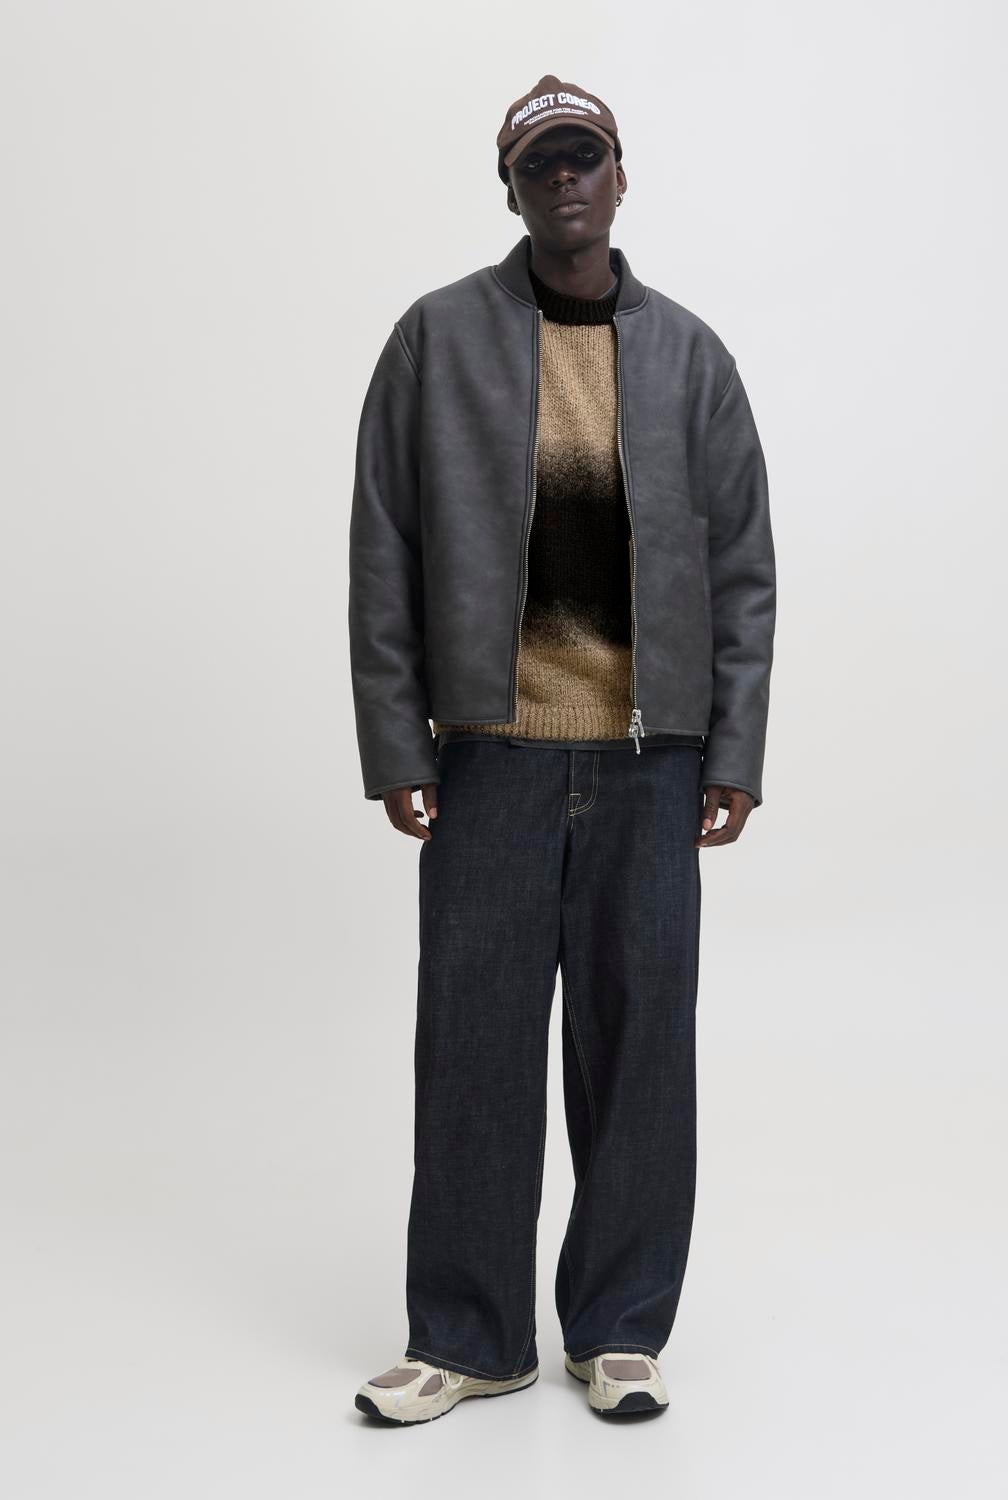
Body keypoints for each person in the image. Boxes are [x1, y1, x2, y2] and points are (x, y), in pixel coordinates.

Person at [349, 73, 776, 1424]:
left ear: (621, 176)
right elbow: (383, 549)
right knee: (471, 1045)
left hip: (653, 760)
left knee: (641, 1047)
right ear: (513, 190)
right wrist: (395, 740)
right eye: (541, 166)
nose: (566, 182)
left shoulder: (691, 357)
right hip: (492, 751)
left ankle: (619, 1328)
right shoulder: (435, 340)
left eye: (584, 159)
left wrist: (732, 747)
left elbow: (742, 567)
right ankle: (468, 1336)